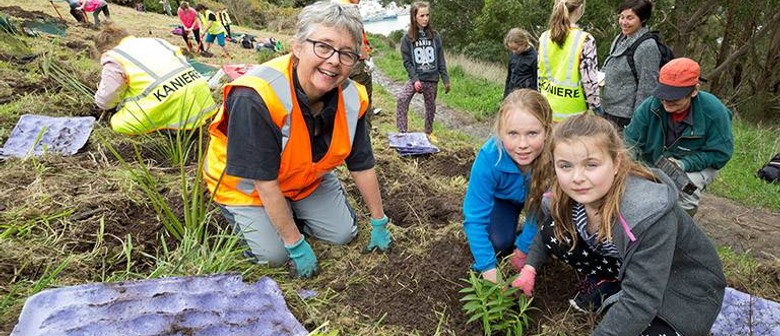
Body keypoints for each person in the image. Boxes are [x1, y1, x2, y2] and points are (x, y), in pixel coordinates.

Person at [203, 1, 392, 279]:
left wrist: (379, 220)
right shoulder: (257, 95)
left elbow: (361, 162)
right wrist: (295, 243)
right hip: (247, 187)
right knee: (274, 256)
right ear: (298, 47)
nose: (334, 61)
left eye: (346, 53)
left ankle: (290, 211)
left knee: (342, 234)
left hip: (304, 180)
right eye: (323, 46)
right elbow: (264, 181)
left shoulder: (354, 97)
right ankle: (254, 217)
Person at [512, 114, 726, 336]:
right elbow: (546, 228)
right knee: (554, 229)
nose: (577, 177)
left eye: (591, 164)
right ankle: (609, 283)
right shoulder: (569, 195)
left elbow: (641, 300)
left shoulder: (647, 215)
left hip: (683, 290)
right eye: (565, 166)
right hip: (634, 269)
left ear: (616, 163)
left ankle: (620, 290)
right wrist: (530, 267)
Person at [462, 89, 553, 283]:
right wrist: (488, 269)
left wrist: (522, 250)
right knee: (499, 242)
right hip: (504, 201)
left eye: (532, 133)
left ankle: (523, 238)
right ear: (500, 132)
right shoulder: (489, 157)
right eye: (512, 134)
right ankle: (510, 229)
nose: (522, 144)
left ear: (546, 131)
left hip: (538, 205)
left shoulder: (554, 158)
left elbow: (538, 211)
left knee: (549, 238)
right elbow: (474, 218)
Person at [624, 57, 734, 216]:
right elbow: (631, 141)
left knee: (687, 190)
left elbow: (720, 154)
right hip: (654, 161)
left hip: (695, 165)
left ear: (694, 90)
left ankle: (681, 229)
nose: (666, 101)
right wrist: (628, 164)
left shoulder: (715, 112)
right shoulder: (650, 106)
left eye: (674, 96)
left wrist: (684, 164)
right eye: (663, 94)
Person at [93, 23, 217, 135]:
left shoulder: (115, 57)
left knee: (117, 122)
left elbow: (107, 98)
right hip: (198, 92)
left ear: (104, 49)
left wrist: (103, 103)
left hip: (169, 100)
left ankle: (168, 130)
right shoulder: (157, 41)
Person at [538, 0, 601, 122]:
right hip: (574, 115)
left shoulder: (544, 37)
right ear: (580, 8)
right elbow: (589, 83)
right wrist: (597, 108)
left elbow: (540, 76)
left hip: (548, 110)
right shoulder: (585, 39)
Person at [396, 1, 451, 141]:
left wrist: (445, 79)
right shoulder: (407, 38)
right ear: (414, 17)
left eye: (427, 15)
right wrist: (415, 80)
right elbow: (407, 62)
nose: (425, 18)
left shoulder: (435, 36)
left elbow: (441, 59)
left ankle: (428, 132)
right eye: (422, 15)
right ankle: (402, 133)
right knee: (402, 99)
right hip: (417, 79)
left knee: (430, 107)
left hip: (432, 78)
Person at [601, 0, 659, 129]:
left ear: (642, 19)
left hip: (625, 116)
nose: (624, 22)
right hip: (608, 108)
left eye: (630, 18)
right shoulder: (621, 37)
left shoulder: (647, 46)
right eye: (621, 17)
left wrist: (638, 122)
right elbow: (610, 62)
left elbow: (647, 87)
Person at [335, 0, 378, 123]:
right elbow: (357, 38)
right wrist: (366, 60)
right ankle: (364, 135)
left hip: (339, 61)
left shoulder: (331, 6)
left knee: (343, 101)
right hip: (355, 63)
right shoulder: (350, 8)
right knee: (364, 100)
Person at [503, 28, 538, 98]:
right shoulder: (513, 55)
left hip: (526, 96)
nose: (514, 51)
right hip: (512, 93)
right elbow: (509, 77)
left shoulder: (534, 57)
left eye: (516, 49)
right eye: (511, 49)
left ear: (524, 43)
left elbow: (536, 81)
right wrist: (505, 96)